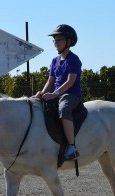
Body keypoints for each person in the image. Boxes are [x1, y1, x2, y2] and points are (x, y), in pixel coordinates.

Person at [35, 24, 82, 161]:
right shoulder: (54, 61)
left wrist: (54, 94)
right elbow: (50, 81)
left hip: (71, 95)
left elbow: (70, 81)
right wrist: (42, 93)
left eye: (59, 39)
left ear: (69, 41)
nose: (56, 42)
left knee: (64, 109)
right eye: (55, 39)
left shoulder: (74, 59)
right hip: (57, 93)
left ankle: (72, 147)